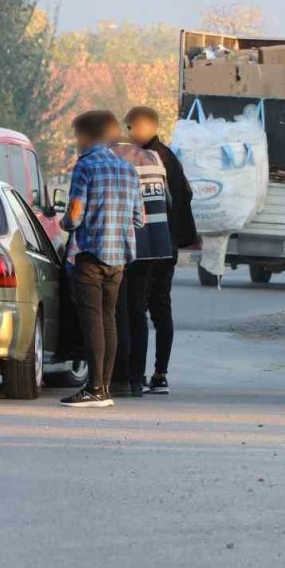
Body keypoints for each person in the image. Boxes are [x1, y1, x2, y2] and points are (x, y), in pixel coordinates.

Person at [59, 110, 144, 408]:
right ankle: (104, 386)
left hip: (90, 255)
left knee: (91, 321)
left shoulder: (85, 166)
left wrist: (65, 225)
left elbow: (75, 214)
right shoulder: (128, 169)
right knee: (109, 320)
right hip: (119, 258)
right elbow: (139, 218)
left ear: (85, 136)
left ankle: (94, 387)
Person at [124, 106, 196, 394]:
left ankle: (136, 375)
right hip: (167, 247)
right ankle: (160, 373)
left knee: (137, 309)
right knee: (162, 309)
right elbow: (186, 195)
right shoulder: (171, 158)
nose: (128, 135)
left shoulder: (146, 159)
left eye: (129, 128)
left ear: (142, 128)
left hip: (147, 246)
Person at [109, 119, 173, 398]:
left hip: (128, 242)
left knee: (119, 310)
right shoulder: (154, 157)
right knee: (138, 312)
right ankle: (136, 379)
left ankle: (119, 379)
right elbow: (168, 200)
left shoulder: (114, 159)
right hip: (156, 244)